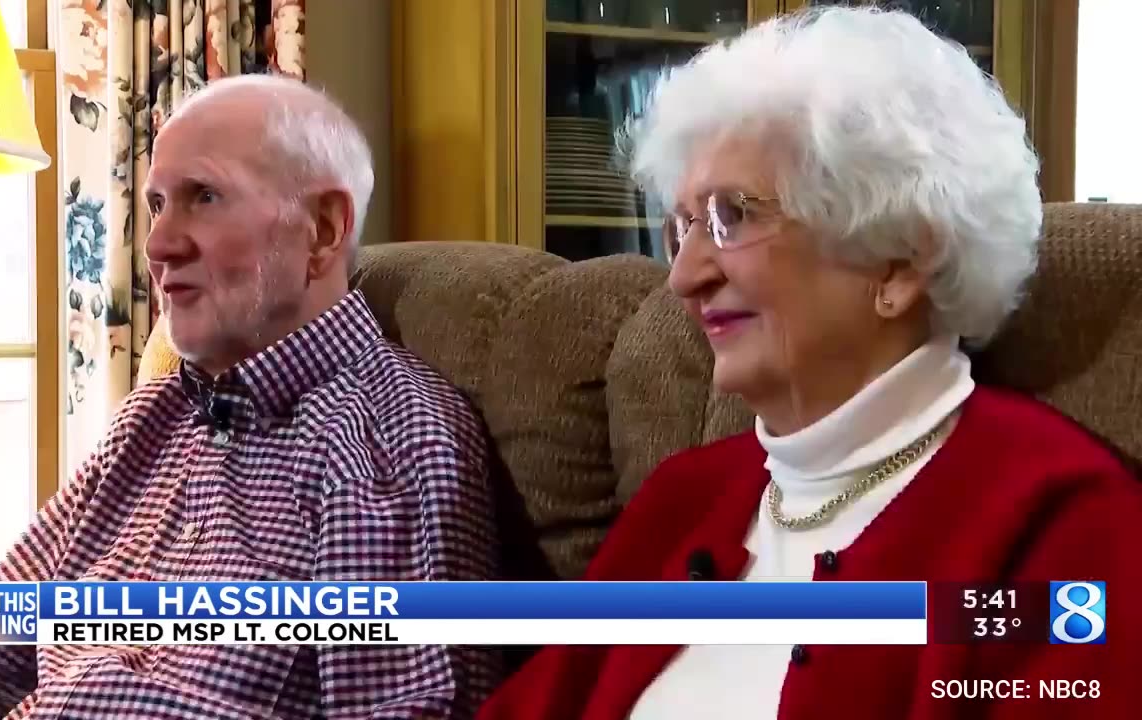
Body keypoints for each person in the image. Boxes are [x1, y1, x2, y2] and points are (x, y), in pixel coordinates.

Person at [480, 7, 1140, 720]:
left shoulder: (1059, 524)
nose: (684, 276)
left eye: (734, 216)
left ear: (898, 262)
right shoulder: (683, 499)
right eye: (683, 228)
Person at [0, 75, 500, 719]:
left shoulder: (388, 446)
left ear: (324, 229)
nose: (158, 246)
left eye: (205, 196)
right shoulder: (153, 417)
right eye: (159, 203)